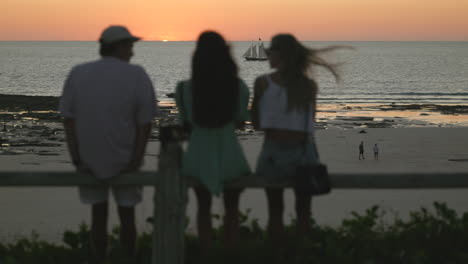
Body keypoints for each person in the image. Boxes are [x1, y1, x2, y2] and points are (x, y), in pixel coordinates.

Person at [59, 25, 157, 262]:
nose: (132, 51)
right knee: (127, 217)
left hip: (89, 160)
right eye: (130, 46)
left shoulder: (78, 73)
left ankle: (99, 259)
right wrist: (135, 160)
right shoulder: (137, 74)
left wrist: (77, 158)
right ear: (119, 46)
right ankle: (129, 259)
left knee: (98, 216)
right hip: (125, 160)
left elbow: (68, 120)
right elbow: (145, 123)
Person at [252, 34, 342, 243]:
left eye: (271, 51)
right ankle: (303, 255)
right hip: (304, 155)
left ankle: (277, 256)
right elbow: (310, 121)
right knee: (304, 214)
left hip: (273, 155)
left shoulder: (262, 83)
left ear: (280, 54)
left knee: (275, 212)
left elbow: (256, 124)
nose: (268, 56)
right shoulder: (309, 86)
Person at [175, 31, 251, 251]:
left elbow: (186, 123)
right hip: (230, 154)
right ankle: (231, 255)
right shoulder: (238, 87)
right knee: (232, 212)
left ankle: (207, 255)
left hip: (198, 156)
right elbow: (239, 123)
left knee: (203, 210)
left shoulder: (184, 89)